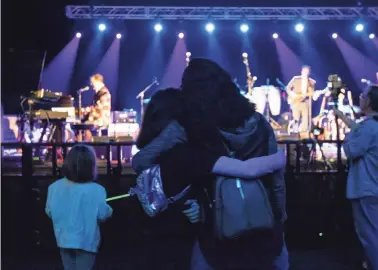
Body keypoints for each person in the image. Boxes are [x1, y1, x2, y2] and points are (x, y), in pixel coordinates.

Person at [133, 58, 289, 270]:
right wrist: (279, 216)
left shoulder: (187, 126)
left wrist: (183, 194)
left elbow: (141, 160)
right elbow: (277, 180)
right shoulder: (260, 123)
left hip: (214, 227)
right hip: (262, 222)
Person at [334, 85, 378, 270]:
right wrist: (342, 116)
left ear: (369, 101)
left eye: (362, 95)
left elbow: (352, 150)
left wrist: (346, 138)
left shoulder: (370, 127)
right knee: (374, 229)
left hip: (366, 186)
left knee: (369, 233)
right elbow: (360, 130)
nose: (359, 97)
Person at [45, 144, 113, 270]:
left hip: (64, 238)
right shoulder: (97, 190)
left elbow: (49, 211)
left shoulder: (54, 187)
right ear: (91, 166)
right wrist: (109, 210)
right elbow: (102, 215)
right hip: (86, 241)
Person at [286, 65, 316, 135]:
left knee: (305, 119)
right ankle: (295, 133)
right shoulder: (296, 79)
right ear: (301, 71)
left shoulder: (311, 82)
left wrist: (311, 93)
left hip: (305, 102)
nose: (305, 73)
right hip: (296, 101)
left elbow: (312, 93)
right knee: (296, 118)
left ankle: (303, 134)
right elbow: (288, 88)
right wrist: (292, 94)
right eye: (304, 71)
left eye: (307, 71)